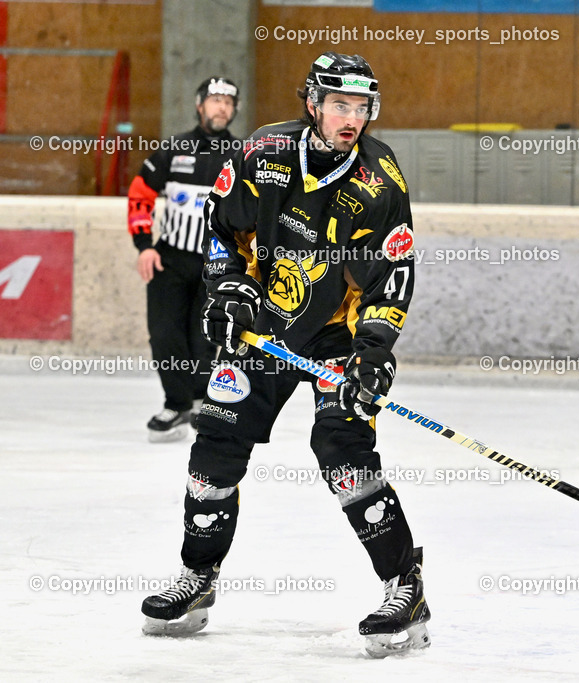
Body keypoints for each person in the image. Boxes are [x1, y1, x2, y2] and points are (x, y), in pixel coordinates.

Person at [139, 52, 428, 658]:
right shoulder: (262, 153)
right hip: (266, 329)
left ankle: (405, 584)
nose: (352, 118)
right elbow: (220, 230)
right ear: (313, 104)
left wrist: (375, 350)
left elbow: (392, 274)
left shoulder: (381, 182)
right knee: (216, 441)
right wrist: (228, 287)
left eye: (362, 107)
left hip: (338, 334)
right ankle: (199, 576)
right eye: (340, 105)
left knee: (343, 451)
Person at [128, 78, 240, 441]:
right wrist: (144, 244)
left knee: (204, 337)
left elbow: (256, 210)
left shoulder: (242, 156)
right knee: (163, 334)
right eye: (214, 100)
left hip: (217, 263)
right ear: (199, 105)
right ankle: (176, 404)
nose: (221, 107)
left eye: (228, 101)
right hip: (171, 259)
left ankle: (199, 401)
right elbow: (140, 194)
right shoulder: (174, 149)